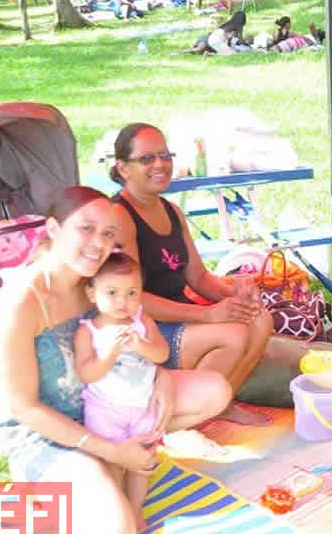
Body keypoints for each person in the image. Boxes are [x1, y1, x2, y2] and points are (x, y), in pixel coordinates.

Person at [0, 186, 231, 534]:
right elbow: (24, 409)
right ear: (53, 229)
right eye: (86, 229)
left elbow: (146, 340)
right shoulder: (19, 300)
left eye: (107, 234)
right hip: (42, 430)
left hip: (104, 402)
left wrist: (162, 379)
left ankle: (107, 465)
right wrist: (113, 452)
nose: (97, 243)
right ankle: (45, 485)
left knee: (215, 390)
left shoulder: (102, 278)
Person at [109, 123, 274, 426]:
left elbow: (197, 277)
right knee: (232, 334)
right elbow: (132, 300)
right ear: (123, 168)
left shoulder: (171, 210)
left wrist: (237, 294)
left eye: (164, 155)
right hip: (142, 329)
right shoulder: (120, 216)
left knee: (260, 318)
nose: (159, 164)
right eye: (146, 159)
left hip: (178, 317)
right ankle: (180, 416)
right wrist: (208, 316)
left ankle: (221, 404)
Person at [74, 252, 169, 526]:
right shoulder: (89, 330)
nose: (122, 302)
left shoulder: (141, 321)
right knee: (114, 461)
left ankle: (136, 508)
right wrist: (110, 353)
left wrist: (141, 345)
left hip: (142, 405)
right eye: (112, 292)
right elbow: (87, 372)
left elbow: (161, 354)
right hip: (105, 409)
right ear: (91, 293)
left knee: (144, 461)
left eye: (131, 293)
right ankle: (119, 508)